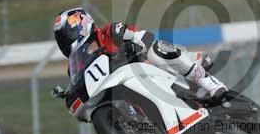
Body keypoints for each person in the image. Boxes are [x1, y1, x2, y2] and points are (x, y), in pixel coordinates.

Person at [53, 7, 228, 101]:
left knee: (157, 48)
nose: (65, 41)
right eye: (62, 38)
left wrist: (136, 45)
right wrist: (70, 95)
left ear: (81, 26)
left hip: (151, 71)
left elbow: (145, 36)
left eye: (66, 35)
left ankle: (211, 84)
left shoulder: (110, 31)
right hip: (127, 92)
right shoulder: (74, 66)